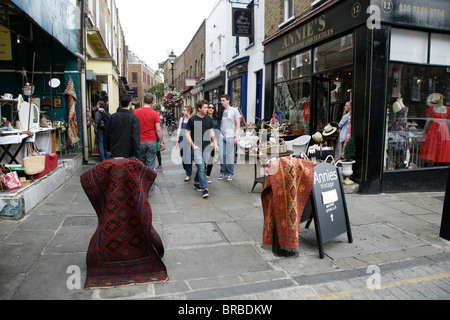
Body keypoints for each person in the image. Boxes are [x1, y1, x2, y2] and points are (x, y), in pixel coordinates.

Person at [185, 100, 219, 198]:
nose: (207, 109)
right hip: (197, 147)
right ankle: (204, 189)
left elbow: (211, 132)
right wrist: (193, 145)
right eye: (205, 107)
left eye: (207, 107)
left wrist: (215, 143)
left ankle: (196, 181)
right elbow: (187, 133)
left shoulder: (208, 118)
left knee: (202, 167)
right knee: (201, 167)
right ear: (199, 108)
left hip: (207, 147)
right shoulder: (192, 120)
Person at [134, 93, 164, 191]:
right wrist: (161, 142)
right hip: (151, 141)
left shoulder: (136, 112)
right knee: (150, 163)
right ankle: (150, 185)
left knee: (141, 163)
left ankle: (142, 184)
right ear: (152, 102)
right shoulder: (154, 113)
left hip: (140, 141)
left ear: (143, 101)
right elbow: (158, 129)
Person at [105, 94, 141, 159]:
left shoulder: (112, 117)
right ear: (130, 103)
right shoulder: (134, 118)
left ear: (120, 104)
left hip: (115, 151)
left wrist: (108, 148)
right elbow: (135, 137)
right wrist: (138, 154)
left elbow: (107, 134)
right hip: (129, 153)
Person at [218, 94, 241, 181]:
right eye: (221, 100)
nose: (222, 102)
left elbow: (238, 125)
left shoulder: (234, 110)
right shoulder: (220, 111)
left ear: (228, 100)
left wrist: (236, 137)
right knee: (221, 155)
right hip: (221, 135)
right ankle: (223, 171)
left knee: (230, 156)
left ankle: (230, 173)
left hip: (231, 136)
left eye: (223, 100)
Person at [175, 105, 195, 181]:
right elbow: (179, 129)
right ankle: (186, 168)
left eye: (184, 110)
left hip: (189, 139)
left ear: (188, 111)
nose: (182, 112)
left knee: (188, 157)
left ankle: (188, 174)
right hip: (181, 139)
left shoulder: (192, 119)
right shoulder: (181, 119)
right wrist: (177, 140)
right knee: (183, 156)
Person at [206, 104, 219, 183]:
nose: (210, 109)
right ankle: (203, 172)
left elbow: (217, 130)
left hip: (212, 141)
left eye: (212, 108)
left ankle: (207, 175)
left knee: (211, 158)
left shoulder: (216, 119)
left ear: (214, 109)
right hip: (204, 140)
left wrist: (216, 142)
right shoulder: (204, 117)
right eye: (209, 107)